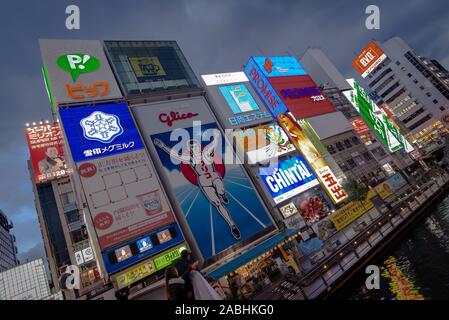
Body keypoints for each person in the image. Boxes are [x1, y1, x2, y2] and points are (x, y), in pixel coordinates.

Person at [154, 133, 241, 239]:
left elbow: (214, 142)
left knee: (220, 187)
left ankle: (222, 194)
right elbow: (176, 155)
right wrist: (162, 146)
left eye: (195, 145)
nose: (194, 148)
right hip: (204, 182)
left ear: (198, 146)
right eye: (191, 147)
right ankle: (232, 225)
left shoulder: (206, 152)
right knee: (217, 204)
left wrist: (217, 136)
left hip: (214, 177)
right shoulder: (190, 159)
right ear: (190, 150)